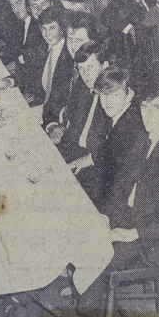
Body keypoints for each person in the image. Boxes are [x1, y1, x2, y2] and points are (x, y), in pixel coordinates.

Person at [77, 83, 159, 317]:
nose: (149, 114)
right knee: (82, 232)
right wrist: (106, 217)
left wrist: (133, 233)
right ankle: (91, 300)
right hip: (133, 218)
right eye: (144, 108)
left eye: (157, 108)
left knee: (97, 264)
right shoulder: (144, 140)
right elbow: (121, 187)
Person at [54, 41, 113, 207]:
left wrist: (89, 159)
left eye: (90, 67)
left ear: (105, 65)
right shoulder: (82, 86)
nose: (86, 74)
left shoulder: (114, 96)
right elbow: (70, 121)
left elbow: (118, 146)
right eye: (81, 69)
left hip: (97, 166)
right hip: (73, 150)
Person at [90, 67, 149, 221]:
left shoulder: (133, 130)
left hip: (121, 211)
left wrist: (98, 214)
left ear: (129, 94)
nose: (107, 101)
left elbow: (122, 187)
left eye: (114, 95)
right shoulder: (118, 116)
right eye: (103, 95)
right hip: (108, 196)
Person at [34, 7, 75, 124]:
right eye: (43, 28)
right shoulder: (43, 47)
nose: (47, 34)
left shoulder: (69, 56)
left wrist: (50, 123)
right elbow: (30, 74)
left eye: (52, 28)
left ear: (62, 29)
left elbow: (62, 100)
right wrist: (11, 81)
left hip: (55, 117)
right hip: (41, 106)